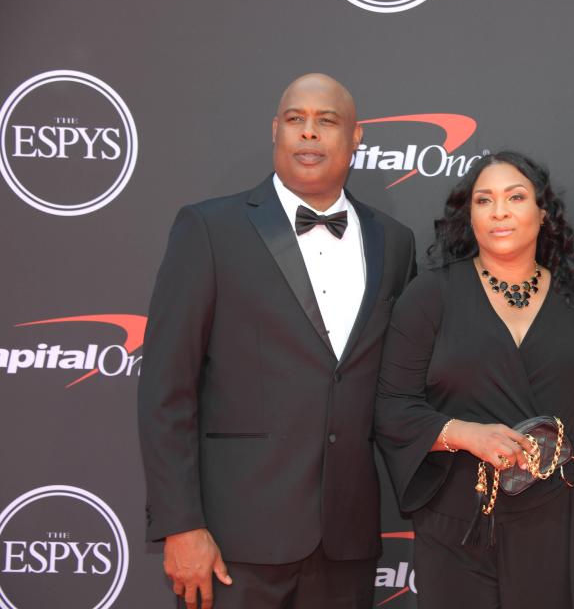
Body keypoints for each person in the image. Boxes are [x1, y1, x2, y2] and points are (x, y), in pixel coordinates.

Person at [138, 73, 416, 609]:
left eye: (326, 121)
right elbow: (165, 389)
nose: (308, 134)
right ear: (276, 130)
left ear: (357, 137)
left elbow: (395, 389)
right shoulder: (209, 229)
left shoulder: (394, 242)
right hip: (231, 544)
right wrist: (180, 525)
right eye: (296, 120)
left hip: (347, 543)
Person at [375, 151, 574, 608]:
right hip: (459, 522)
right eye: (484, 200)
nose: (499, 211)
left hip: (557, 521)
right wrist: (462, 433)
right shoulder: (431, 295)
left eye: (515, 197)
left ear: (543, 211)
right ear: (468, 214)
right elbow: (391, 406)